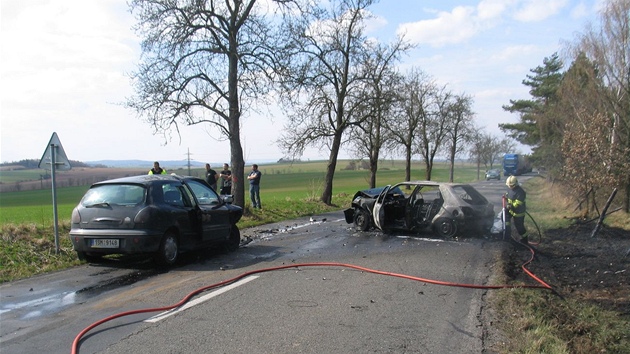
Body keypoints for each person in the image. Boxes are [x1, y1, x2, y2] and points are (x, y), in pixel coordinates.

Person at [505, 175, 528, 243]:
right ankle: (507, 232)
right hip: (511, 210)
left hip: (519, 213)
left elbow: (518, 204)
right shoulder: (509, 189)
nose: (510, 187)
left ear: (515, 184)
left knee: (519, 227)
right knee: (504, 216)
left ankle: (524, 239)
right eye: (509, 185)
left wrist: (510, 206)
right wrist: (505, 197)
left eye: (511, 185)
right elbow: (508, 195)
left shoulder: (520, 192)